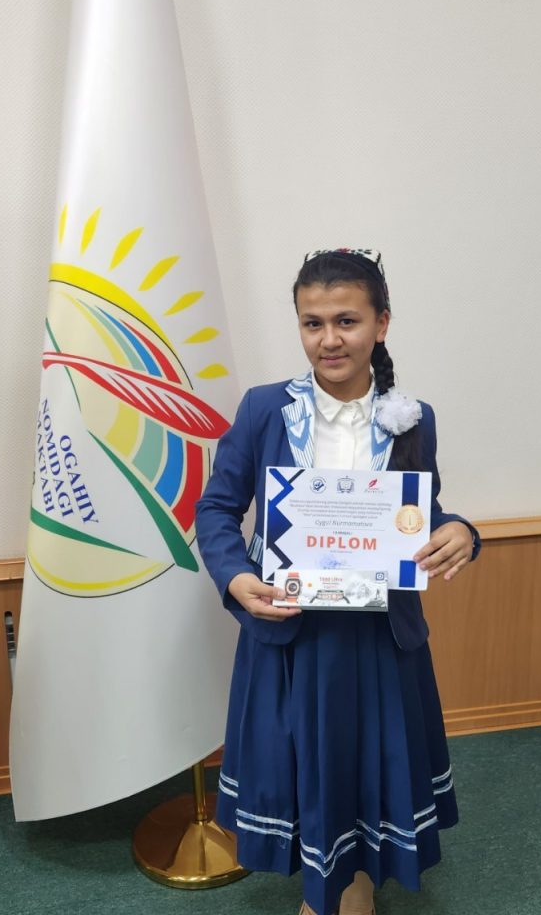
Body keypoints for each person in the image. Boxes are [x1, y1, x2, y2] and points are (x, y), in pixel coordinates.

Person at [195, 248, 481, 915]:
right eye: (312, 322)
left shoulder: (414, 416)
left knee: (369, 770)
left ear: (382, 323)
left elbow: (419, 515)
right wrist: (236, 577)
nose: (329, 339)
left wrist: (462, 529)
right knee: (307, 770)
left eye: (346, 320)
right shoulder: (266, 410)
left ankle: (354, 887)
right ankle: (325, 891)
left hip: (383, 639)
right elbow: (215, 508)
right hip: (294, 638)